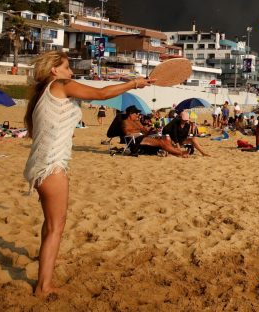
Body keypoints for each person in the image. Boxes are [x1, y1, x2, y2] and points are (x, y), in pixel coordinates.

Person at [22, 51, 154, 298]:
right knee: (56, 227)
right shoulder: (61, 85)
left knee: (50, 223)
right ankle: (43, 287)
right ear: (55, 70)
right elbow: (102, 93)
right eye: (67, 67)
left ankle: (44, 261)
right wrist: (136, 83)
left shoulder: (42, 93)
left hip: (39, 165)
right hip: (52, 167)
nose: (70, 72)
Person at [120, 106, 187, 157]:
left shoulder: (137, 121)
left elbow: (144, 130)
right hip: (135, 140)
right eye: (136, 113)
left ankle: (174, 152)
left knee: (164, 139)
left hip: (142, 137)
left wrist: (151, 128)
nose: (138, 115)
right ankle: (180, 153)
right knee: (161, 142)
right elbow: (127, 133)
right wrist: (140, 131)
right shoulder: (125, 122)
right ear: (130, 114)